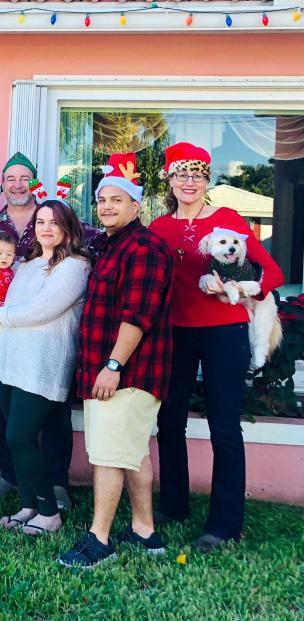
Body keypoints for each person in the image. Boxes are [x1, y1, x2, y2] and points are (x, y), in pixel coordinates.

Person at [149, 142, 284, 552]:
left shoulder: (226, 219)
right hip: (174, 332)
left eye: (197, 174)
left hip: (224, 332)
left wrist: (247, 287)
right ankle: (173, 504)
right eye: (180, 174)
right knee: (169, 422)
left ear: (207, 179)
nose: (188, 182)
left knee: (224, 426)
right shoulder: (158, 228)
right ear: (169, 180)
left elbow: (273, 271)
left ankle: (225, 523)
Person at [58, 153, 174, 568]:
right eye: (102, 199)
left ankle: (99, 539)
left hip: (128, 374)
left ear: (136, 205)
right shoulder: (110, 244)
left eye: (117, 200)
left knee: (107, 456)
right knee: (132, 451)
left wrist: (112, 366)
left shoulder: (143, 247)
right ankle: (145, 530)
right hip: (113, 371)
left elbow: (137, 315)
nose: (106, 206)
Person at [0, 153, 94, 509]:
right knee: (15, 438)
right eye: (41, 222)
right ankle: (28, 503)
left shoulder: (76, 265)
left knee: (25, 435)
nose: (45, 228)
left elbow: (40, 310)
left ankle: (48, 502)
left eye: (53, 223)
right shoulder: (24, 263)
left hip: (42, 363)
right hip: (9, 359)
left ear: (67, 227)